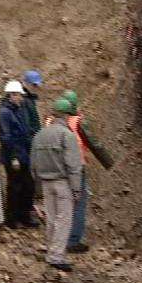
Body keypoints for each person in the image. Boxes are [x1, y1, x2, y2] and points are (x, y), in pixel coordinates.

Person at [56, 89, 114, 254]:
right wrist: (110, 163)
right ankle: (73, 240)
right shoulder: (78, 122)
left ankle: (58, 238)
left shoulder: (51, 121)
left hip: (57, 168)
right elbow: (95, 144)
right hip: (76, 168)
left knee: (62, 203)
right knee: (79, 202)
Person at [30, 98, 82, 271]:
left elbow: (33, 163)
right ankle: (56, 256)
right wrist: (76, 188)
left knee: (51, 218)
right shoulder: (67, 135)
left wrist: (37, 187)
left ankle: (50, 251)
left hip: (45, 182)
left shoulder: (40, 135)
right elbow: (73, 164)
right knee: (64, 219)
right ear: (67, 116)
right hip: (63, 183)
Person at [0, 80, 38, 229]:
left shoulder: (18, 109)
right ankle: (12, 219)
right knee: (15, 187)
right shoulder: (4, 113)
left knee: (28, 186)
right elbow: (6, 137)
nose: (21, 98)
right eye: (19, 95)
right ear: (12, 95)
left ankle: (24, 217)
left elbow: (26, 131)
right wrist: (13, 157)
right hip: (13, 156)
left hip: (24, 154)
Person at [22, 70, 43, 138]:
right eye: (34, 85)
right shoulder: (23, 100)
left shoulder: (30, 99)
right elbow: (25, 125)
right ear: (25, 83)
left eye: (37, 85)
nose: (36, 88)